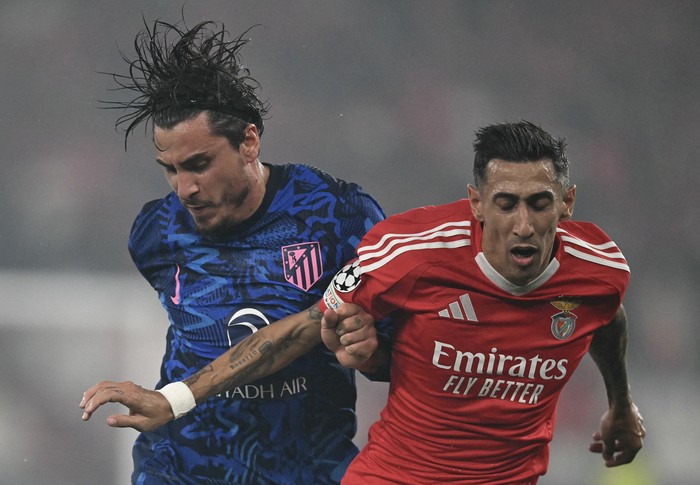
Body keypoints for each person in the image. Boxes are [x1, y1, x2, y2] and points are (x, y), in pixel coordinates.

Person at [79, 18, 390, 485]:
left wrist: (370, 353)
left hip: (303, 468)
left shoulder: (338, 215)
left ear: (248, 141)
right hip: (180, 466)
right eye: (170, 169)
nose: (185, 188)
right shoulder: (155, 233)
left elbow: (389, 356)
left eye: (199, 165)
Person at [315, 120, 646, 483]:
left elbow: (607, 316)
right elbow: (330, 318)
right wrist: (352, 340)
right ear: (477, 203)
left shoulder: (600, 272)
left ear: (566, 203)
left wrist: (621, 404)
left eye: (539, 204)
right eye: (506, 204)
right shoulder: (414, 250)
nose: (523, 225)